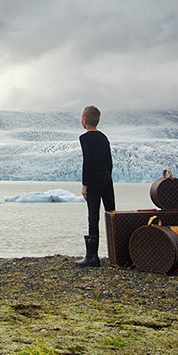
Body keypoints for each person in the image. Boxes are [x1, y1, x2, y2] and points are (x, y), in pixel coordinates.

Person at [76, 105, 115, 267]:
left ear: (84, 121)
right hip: (107, 179)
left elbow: (88, 162)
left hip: (94, 181)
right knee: (111, 213)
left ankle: (92, 256)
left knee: (93, 216)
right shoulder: (104, 137)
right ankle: (117, 252)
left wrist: (85, 184)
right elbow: (109, 162)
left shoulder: (85, 139)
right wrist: (108, 177)